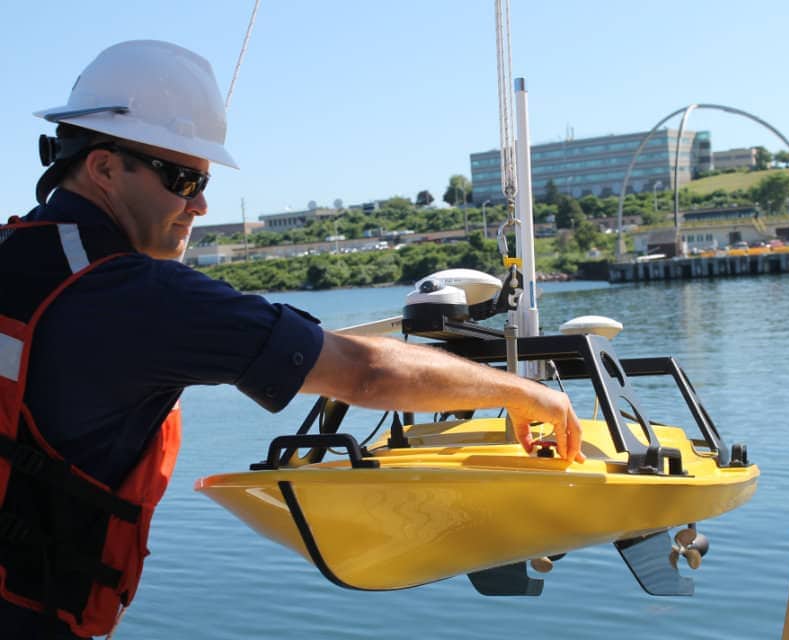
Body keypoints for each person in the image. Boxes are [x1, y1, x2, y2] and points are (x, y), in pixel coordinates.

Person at [0, 40, 583, 639]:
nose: (199, 204)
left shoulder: (14, 254)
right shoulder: (138, 297)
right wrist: (525, 395)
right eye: (180, 178)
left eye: (201, 180)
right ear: (101, 167)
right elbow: (363, 373)